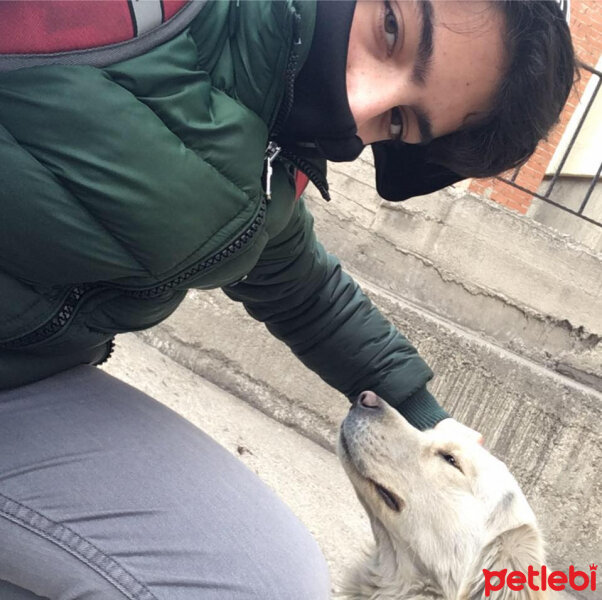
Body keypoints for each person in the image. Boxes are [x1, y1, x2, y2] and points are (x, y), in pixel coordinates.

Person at [0, 1, 576, 598]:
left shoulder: (269, 152)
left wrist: (430, 421)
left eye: (400, 123)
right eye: (391, 30)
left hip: (27, 378)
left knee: (272, 581)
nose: (360, 107)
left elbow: (301, 289)